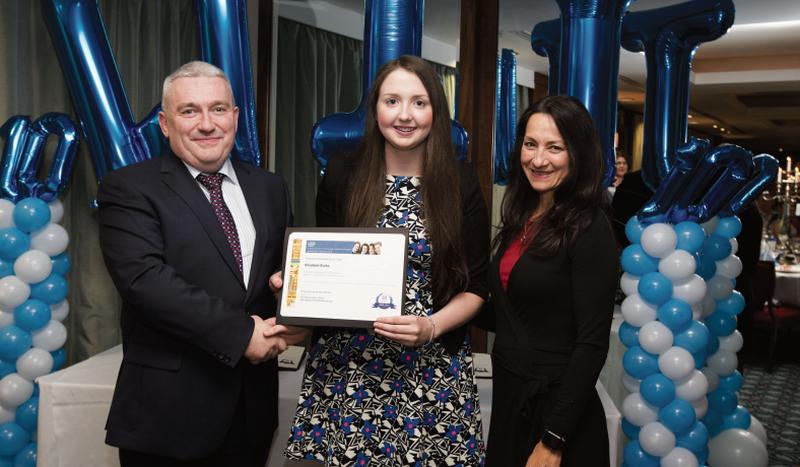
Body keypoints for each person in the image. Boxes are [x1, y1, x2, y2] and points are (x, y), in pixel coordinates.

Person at [283, 55, 490, 465]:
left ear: (436, 110)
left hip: (433, 374)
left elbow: (476, 287)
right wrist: (295, 284)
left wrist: (430, 327)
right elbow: (325, 265)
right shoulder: (341, 176)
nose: (405, 115)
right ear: (375, 108)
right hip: (348, 372)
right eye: (392, 101)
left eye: (419, 102)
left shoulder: (461, 181)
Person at [98, 61, 303, 466]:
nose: (207, 124)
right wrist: (243, 333)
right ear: (164, 123)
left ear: (236, 117)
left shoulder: (270, 187)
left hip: (251, 415)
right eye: (189, 110)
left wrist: (297, 309)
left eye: (219, 109)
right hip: (167, 419)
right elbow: (145, 281)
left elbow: (284, 274)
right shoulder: (128, 188)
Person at [484, 96, 618, 467]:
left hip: (557, 419)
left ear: (577, 154)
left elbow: (591, 344)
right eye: (530, 144)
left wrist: (553, 439)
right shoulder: (522, 216)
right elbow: (517, 317)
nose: (538, 159)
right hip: (513, 401)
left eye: (554, 148)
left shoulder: (590, 228)